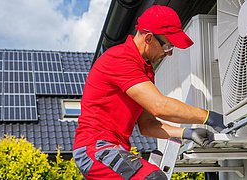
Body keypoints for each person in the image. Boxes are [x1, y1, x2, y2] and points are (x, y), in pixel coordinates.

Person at [73, 5, 226, 180]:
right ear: (149, 38)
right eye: (167, 46)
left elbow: (147, 125)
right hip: (96, 149)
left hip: (113, 149)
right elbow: (159, 106)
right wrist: (209, 117)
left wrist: (188, 133)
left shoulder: (144, 70)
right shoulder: (121, 59)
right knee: (153, 178)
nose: (169, 53)